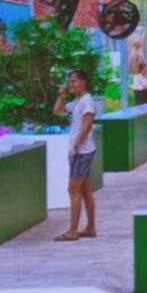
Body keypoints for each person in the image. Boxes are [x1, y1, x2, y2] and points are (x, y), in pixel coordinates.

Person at [52, 69, 98, 241]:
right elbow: (58, 111)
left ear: (84, 82)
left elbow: (88, 124)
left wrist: (76, 146)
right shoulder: (78, 101)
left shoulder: (87, 101)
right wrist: (62, 95)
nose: (71, 84)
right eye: (70, 81)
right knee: (85, 191)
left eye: (74, 81)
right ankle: (90, 227)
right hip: (82, 151)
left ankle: (73, 231)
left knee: (73, 190)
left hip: (82, 152)